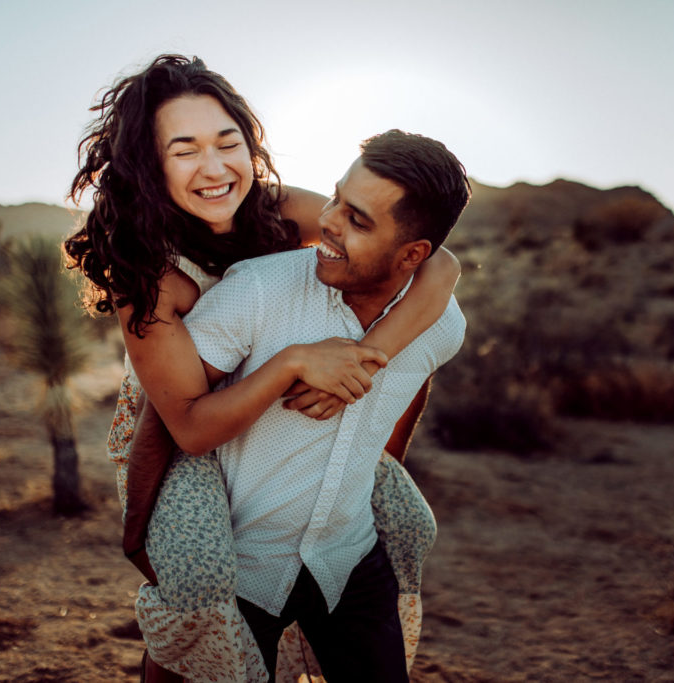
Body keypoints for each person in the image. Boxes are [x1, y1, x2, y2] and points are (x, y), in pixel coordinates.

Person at [63, 55, 459, 681]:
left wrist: (367, 359)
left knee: (401, 522)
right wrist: (138, 524)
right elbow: (177, 425)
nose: (216, 168)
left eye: (229, 143)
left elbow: (439, 267)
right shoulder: (148, 274)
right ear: (148, 162)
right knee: (196, 586)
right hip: (174, 421)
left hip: (258, 402)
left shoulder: (277, 210)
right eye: (184, 150)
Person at [181, 129, 469, 682]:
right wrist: (143, 538)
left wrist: (385, 468)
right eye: (336, 198)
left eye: (358, 221)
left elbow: (414, 384)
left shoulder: (442, 325)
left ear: (414, 255)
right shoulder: (258, 290)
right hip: (241, 566)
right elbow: (168, 415)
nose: (330, 222)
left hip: (349, 556)